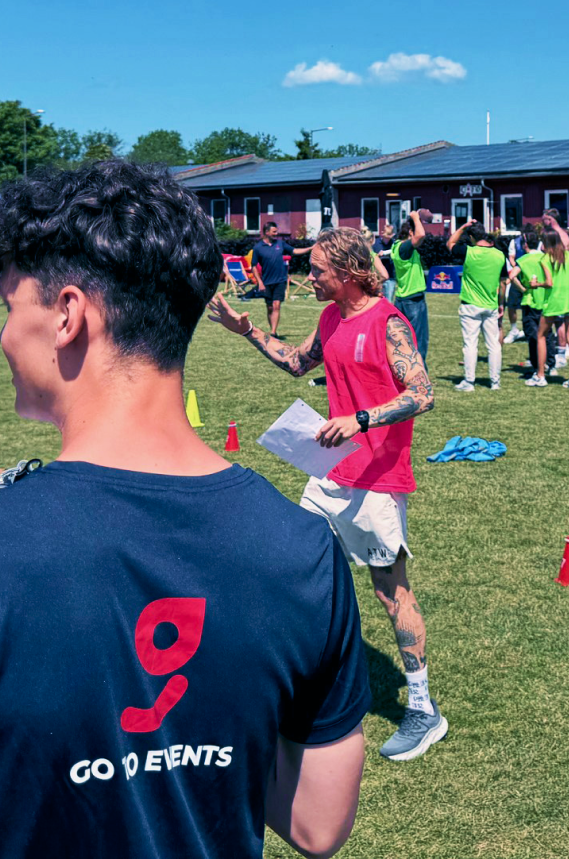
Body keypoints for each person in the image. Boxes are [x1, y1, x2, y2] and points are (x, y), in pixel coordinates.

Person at [0, 164, 370, 859]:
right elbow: (317, 824)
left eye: (10, 307)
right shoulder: (305, 548)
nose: (4, 337)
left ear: (67, 315)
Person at [209, 225, 444, 764]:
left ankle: (423, 709)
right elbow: (298, 362)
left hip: (377, 479)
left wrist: (360, 420)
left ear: (348, 272)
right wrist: (247, 331)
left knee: (389, 591)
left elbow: (423, 393)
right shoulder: (330, 317)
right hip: (328, 474)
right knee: (299, 569)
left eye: (316, 270)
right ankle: (305, 684)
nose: (307, 277)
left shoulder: (388, 322)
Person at [447, 220, 507, 391]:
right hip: (491, 304)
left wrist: (462, 227)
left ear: (472, 237)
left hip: (470, 305)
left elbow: (450, 243)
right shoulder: (499, 255)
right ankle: (495, 382)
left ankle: (469, 381)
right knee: (493, 345)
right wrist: (501, 303)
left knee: (470, 344)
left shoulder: (469, 251)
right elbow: (503, 282)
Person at [539, 215, 569, 390]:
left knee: (541, 335)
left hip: (554, 302)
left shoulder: (545, 259)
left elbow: (549, 282)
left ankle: (540, 376)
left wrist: (536, 284)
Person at [250, 220, 313, 339]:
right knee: (269, 307)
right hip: (266, 282)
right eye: (274, 231)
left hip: (280, 280)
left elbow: (294, 251)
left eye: (276, 231)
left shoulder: (280, 244)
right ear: (267, 232)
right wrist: (260, 282)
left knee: (276, 305)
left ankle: (273, 332)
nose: (276, 233)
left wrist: (310, 248)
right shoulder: (258, 248)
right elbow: (253, 266)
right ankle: (272, 329)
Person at [508, 230, 552, 384]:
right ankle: (550, 363)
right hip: (546, 299)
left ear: (525, 244)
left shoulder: (523, 260)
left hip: (530, 300)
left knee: (533, 335)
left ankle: (537, 366)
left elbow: (512, 276)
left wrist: (522, 289)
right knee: (547, 333)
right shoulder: (545, 257)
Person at [390, 210, 430, 361]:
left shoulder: (396, 246)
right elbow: (420, 235)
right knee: (418, 342)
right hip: (413, 300)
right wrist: (415, 217)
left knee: (402, 342)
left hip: (402, 298)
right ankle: (419, 371)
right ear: (410, 233)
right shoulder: (404, 248)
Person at [374, 223, 397, 303]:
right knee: (377, 301)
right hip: (378, 278)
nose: (390, 237)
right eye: (388, 234)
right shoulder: (376, 244)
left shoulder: (394, 244)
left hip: (391, 277)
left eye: (390, 234)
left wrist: (386, 253)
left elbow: (397, 252)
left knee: (389, 301)